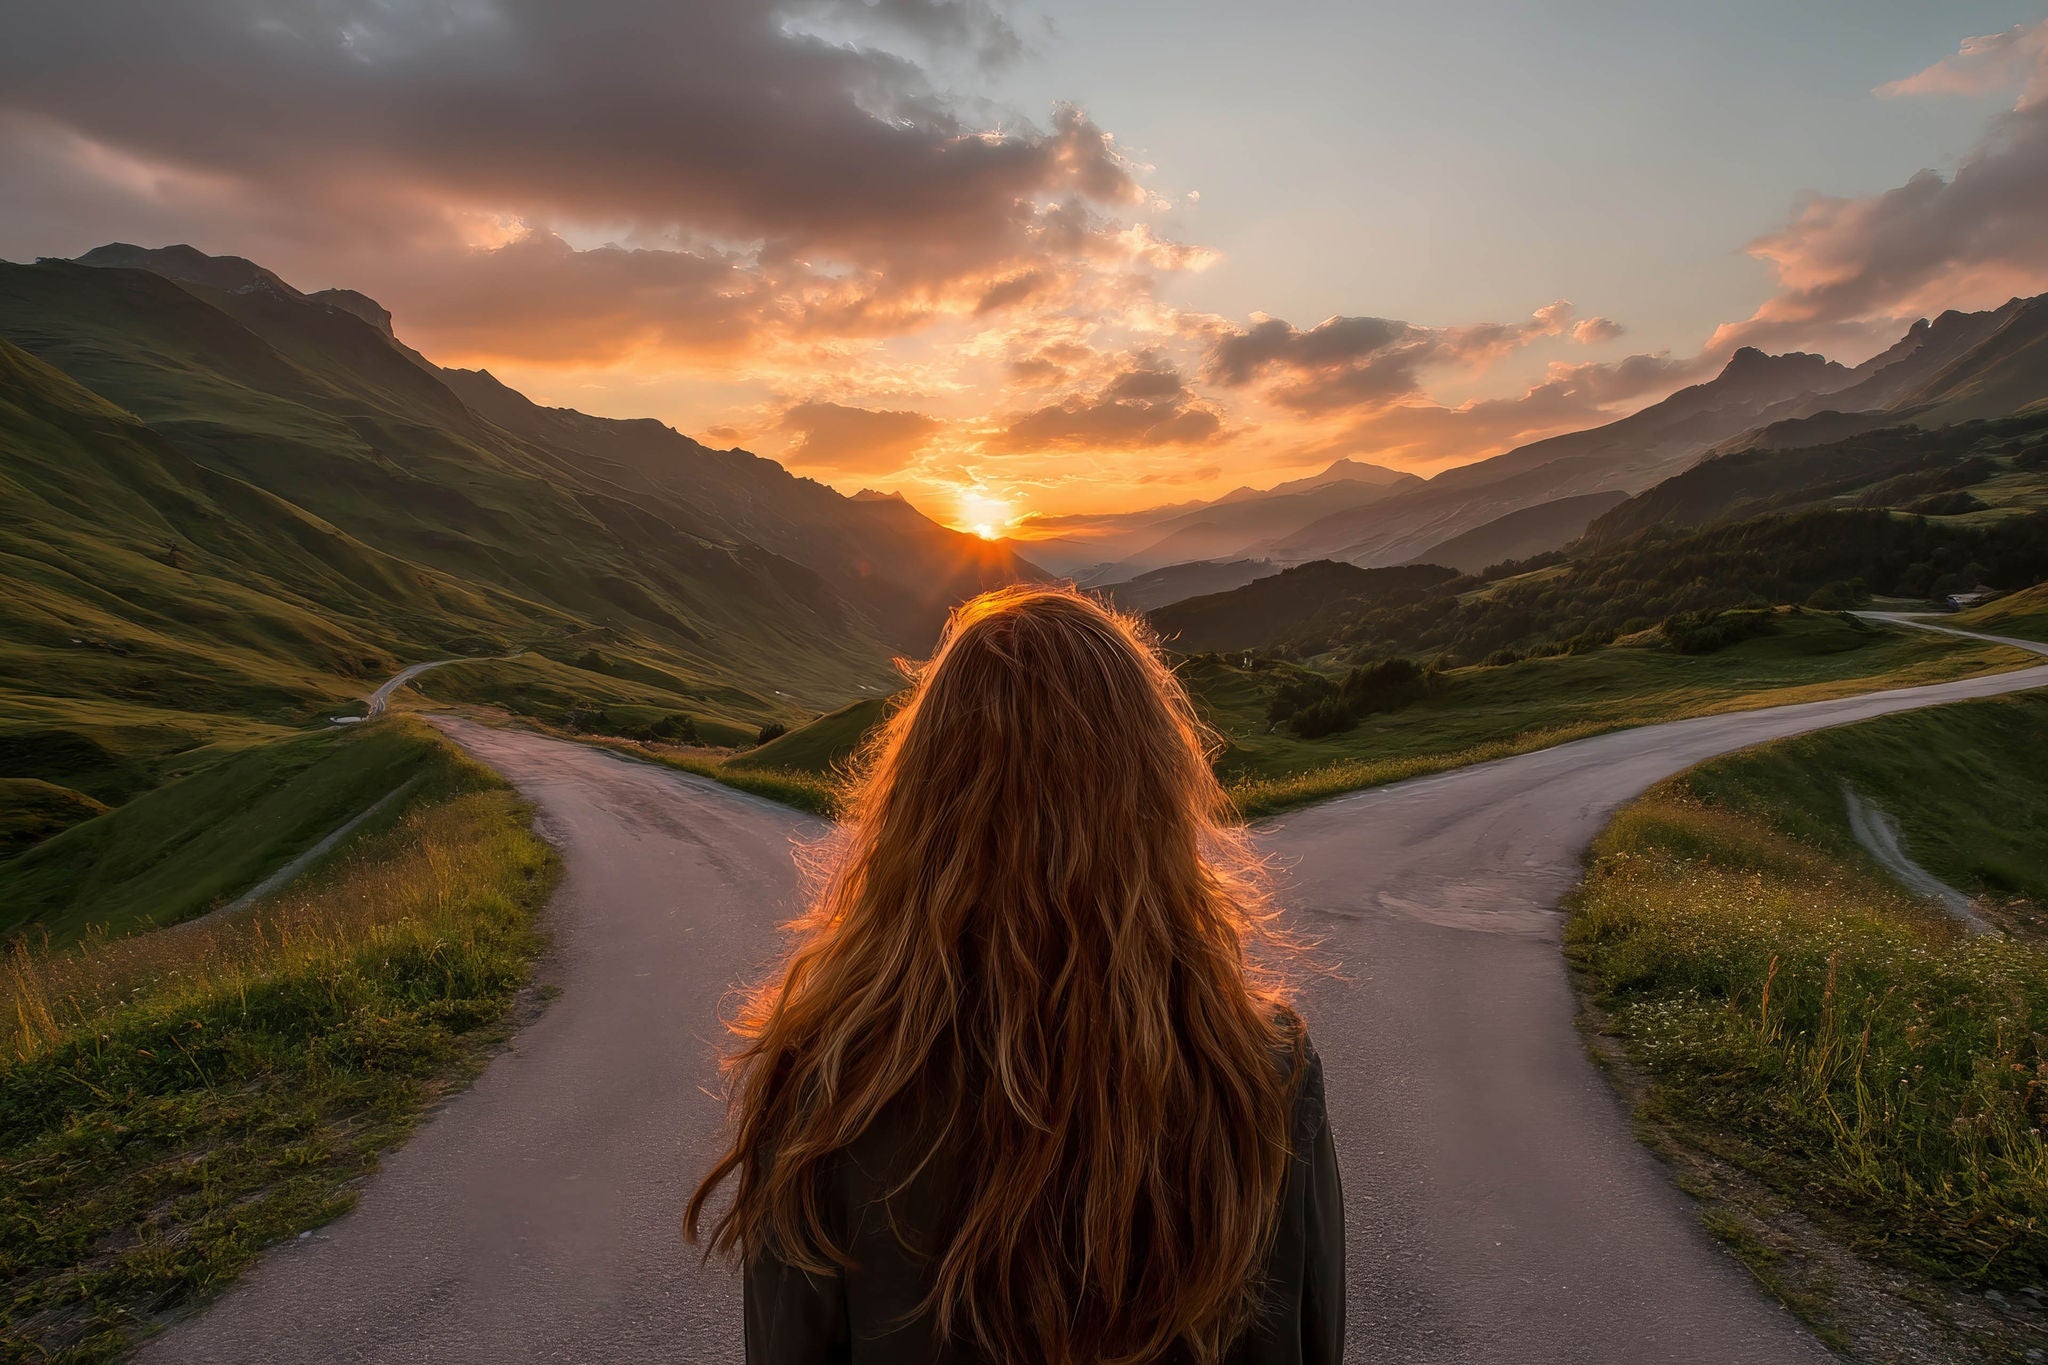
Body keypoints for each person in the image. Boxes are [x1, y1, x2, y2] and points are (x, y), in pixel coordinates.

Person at [686, 585, 1343, 1365]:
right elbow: (1304, 1341)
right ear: (1157, 799)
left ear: (920, 807)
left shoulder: (827, 1079)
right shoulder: (1260, 1073)